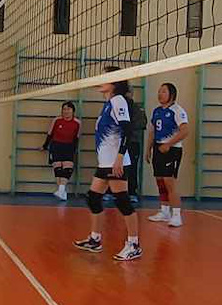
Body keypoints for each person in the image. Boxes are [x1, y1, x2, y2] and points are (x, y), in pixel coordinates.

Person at [74, 69, 142, 261]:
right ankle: (95, 239)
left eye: (104, 77)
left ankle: (134, 244)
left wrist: (120, 157)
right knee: (93, 198)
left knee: (122, 202)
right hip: (105, 163)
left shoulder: (118, 100)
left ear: (114, 82)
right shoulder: (108, 104)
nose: (100, 80)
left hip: (115, 163)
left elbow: (127, 130)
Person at [147, 82, 190, 228]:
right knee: (160, 181)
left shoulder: (177, 110)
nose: (160, 94)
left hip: (172, 150)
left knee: (169, 182)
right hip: (158, 148)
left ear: (172, 94)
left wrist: (169, 144)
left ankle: (176, 215)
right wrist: (148, 149)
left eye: (163, 92)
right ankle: (164, 211)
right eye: (159, 91)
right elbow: (152, 132)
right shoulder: (157, 111)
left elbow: (185, 131)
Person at [43, 101, 80, 201]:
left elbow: (76, 138)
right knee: (58, 169)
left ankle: (61, 190)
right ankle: (62, 192)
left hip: (69, 147)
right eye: (64, 109)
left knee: (67, 169)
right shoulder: (57, 120)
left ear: (73, 111)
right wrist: (45, 146)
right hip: (56, 146)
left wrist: (73, 149)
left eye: (68, 109)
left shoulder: (77, 123)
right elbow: (50, 134)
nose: (66, 111)